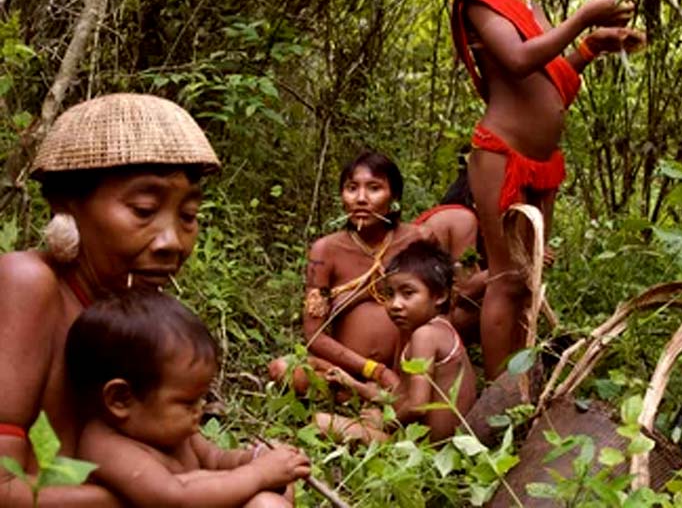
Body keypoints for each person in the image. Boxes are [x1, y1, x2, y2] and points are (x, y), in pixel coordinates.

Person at [451, 0, 646, 378]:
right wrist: (582, 18)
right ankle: (501, 396)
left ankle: (523, 386)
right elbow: (518, 61)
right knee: (506, 280)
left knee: (528, 280)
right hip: (502, 154)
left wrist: (591, 46)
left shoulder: (525, 2)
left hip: (542, 163)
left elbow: (548, 82)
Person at [0, 93, 221, 507]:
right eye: (143, 210)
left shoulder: (136, 316)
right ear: (65, 204)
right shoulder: (29, 284)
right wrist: (158, 497)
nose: (173, 242)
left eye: (188, 216)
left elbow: (189, 454)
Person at [66, 290, 311, 507]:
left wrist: (256, 458)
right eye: (187, 402)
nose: (200, 409)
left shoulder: (175, 433)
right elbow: (175, 498)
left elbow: (217, 460)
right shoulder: (106, 446)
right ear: (120, 399)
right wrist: (259, 474)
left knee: (276, 491)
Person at [270, 152, 430, 395]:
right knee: (283, 368)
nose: (361, 199)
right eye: (352, 188)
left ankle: (388, 398)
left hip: (407, 368)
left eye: (374, 188)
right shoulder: (326, 250)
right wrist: (374, 370)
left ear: (394, 195)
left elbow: (439, 310)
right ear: (342, 196)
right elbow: (314, 334)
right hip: (344, 371)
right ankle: (364, 395)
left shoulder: (418, 240)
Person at [315, 241, 477, 443]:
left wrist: (384, 424)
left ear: (440, 295)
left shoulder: (425, 335)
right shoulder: (442, 330)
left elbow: (417, 406)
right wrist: (354, 385)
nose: (395, 305)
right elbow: (403, 396)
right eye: (390, 294)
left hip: (426, 449)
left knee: (321, 422)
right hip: (441, 443)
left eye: (408, 293)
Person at [414, 157, 486, 343]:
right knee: (506, 304)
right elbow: (465, 291)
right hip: (413, 316)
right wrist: (519, 263)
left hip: (416, 309)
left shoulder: (463, 218)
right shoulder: (462, 218)